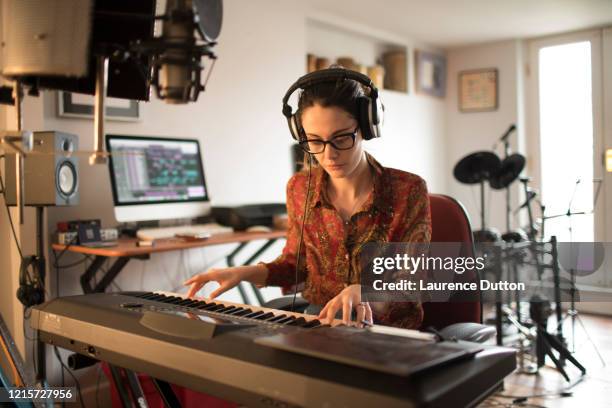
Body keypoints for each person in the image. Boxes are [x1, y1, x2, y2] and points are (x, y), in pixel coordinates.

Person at [184, 67, 431, 329]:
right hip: (318, 320)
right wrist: (245, 272)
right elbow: (295, 263)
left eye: (341, 138)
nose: (328, 155)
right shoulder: (299, 188)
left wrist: (365, 292)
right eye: (315, 141)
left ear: (366, 127)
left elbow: (412, 285)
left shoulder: (408, 190)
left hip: (385, 332)